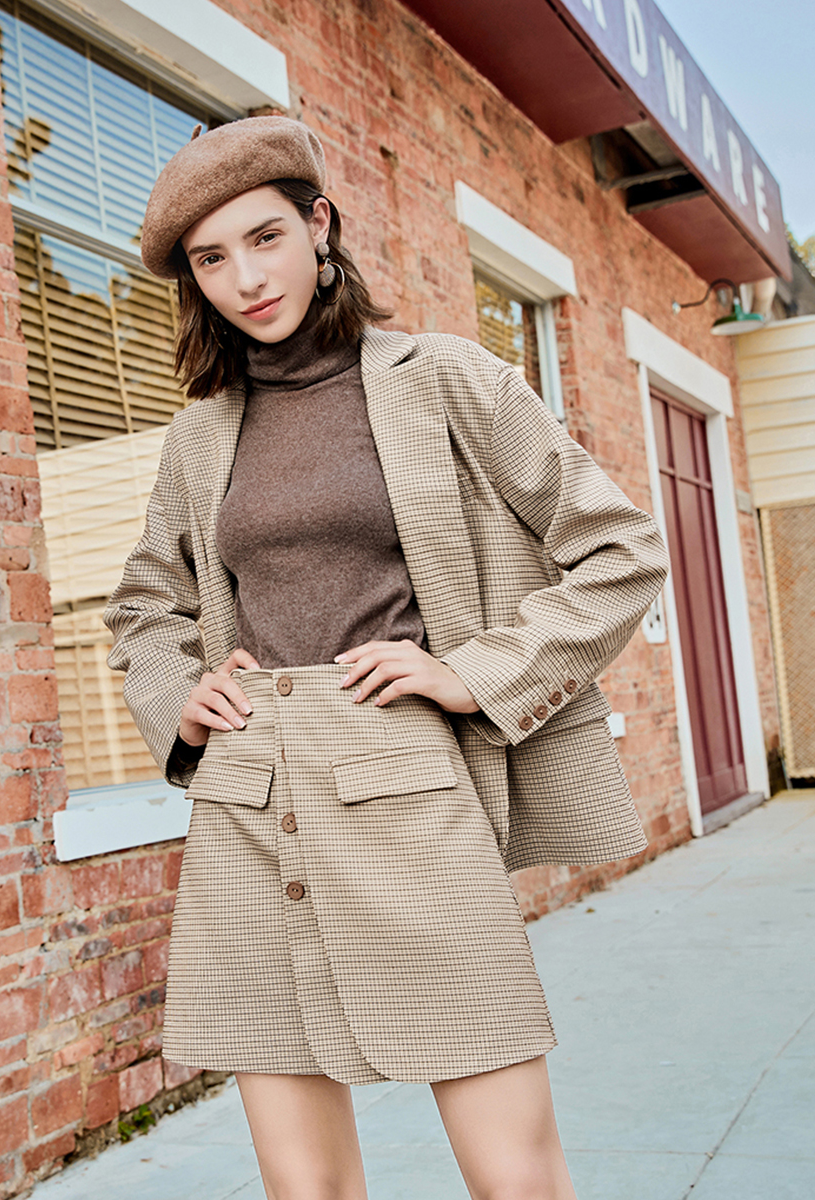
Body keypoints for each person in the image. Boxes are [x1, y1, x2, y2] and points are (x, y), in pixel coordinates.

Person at [105, 115, 669, 1200]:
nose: (244, 279)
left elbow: (621, 549)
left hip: (409, 785)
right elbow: (144, 605)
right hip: (249, 798)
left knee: (514, 1174)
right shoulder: (199, 435)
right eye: (210, 260)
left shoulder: (443, 377)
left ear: (319, 224)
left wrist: (478, 673)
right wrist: (180, 697)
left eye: (265, 238)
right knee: (303, 1185)